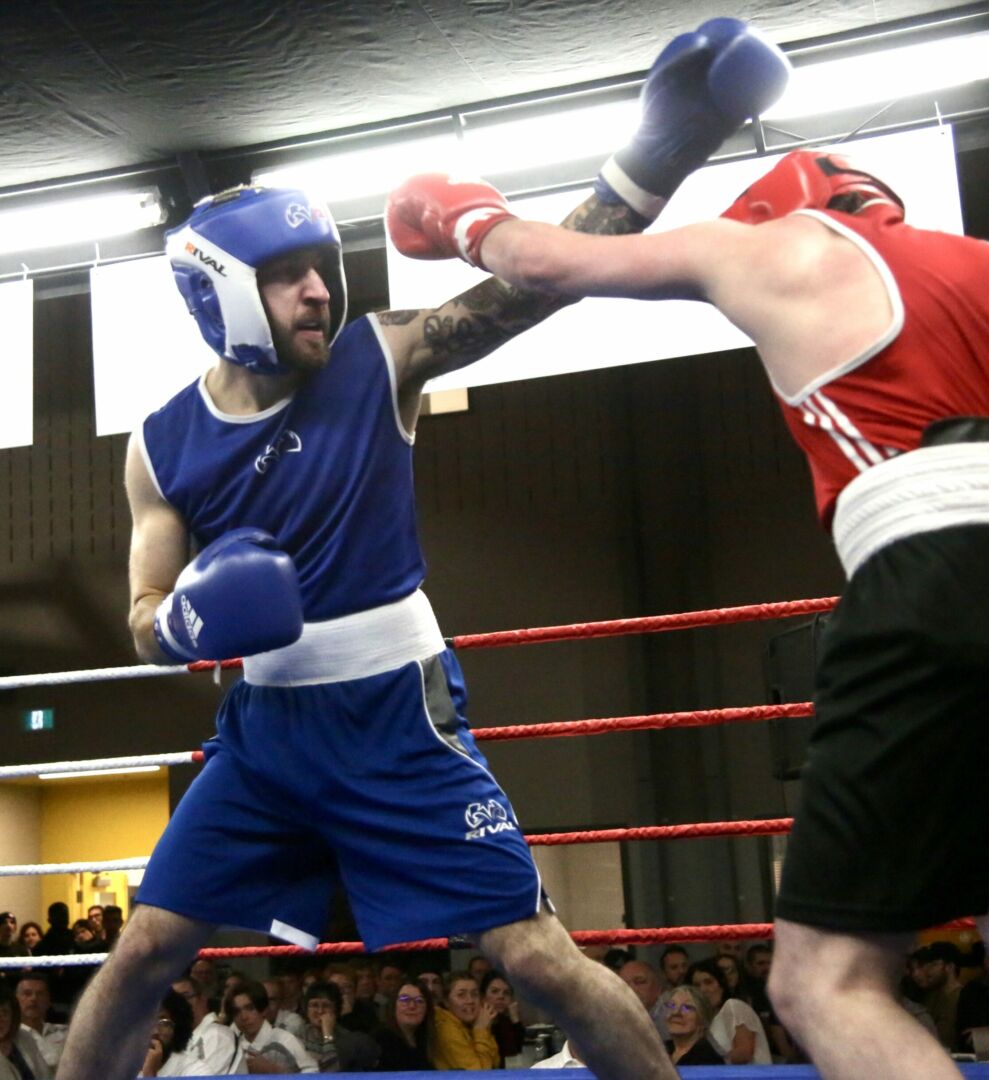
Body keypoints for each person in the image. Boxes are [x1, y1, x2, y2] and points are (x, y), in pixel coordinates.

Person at [53, 20, 788, 1080]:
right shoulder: (159, 446)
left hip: (398, 714)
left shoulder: (382, 358)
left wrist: (664, 145)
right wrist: (181, 622)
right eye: (289, 276)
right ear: (222, 294)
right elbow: (141, 617)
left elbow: (542, 282)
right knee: (144, 951)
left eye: (323, 269)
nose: (321, 291)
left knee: (532, 959)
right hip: (266, 735)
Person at [388, 125, 989, 1080]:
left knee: (821, 982)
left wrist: (459, 216)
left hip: (942, 575)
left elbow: (540, 260)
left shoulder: (774, 245)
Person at [687, 959, 772, 1065]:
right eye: (696, 985)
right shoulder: (702, 1021)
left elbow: (744, 1054)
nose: (703, 989)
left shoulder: (733, 1006)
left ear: (721, 985)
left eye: (708, 982)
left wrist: (706, 1063)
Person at [229, 981, 317, 1074]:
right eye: (237, 1011)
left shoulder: (285, 1040)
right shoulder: (232, 1047)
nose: (244, 1017)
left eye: (250, 1008)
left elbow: (314, 1073)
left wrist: (275, 1071)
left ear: (264, 1010)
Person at [169, 975, 245, 1075]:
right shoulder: (178, 1039)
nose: (179, 1005)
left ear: (203, 999)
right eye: (174, 1001)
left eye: (185, 997)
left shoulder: (217, 1036)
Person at [300, 980, 381, 1072]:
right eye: (314, 1005)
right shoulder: (297, 1036)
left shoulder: (349, 1041)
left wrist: (327, 1035)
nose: (320, 1011)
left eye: (326, 1005)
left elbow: (332, 1072)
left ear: (336, 1009)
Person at [431, 972, 499, 1070]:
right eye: (461, 995)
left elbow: (495, 1063)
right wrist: (480, 1030)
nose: (470, 1000)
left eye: (474, 994)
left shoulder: (472, 1023)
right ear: (446, 1001)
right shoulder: (445, 1029)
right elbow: (479, 1074)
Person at [139, 990, 209, 1078]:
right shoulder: (119, 1068)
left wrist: (150, 1074)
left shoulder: (196, 1071)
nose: (155, 1032)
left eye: (164, 1023)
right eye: (145, 1023)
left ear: (177, 1028)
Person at [374, 981, 434, 1072]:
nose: (412, 1006)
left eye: (419, 1001)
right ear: (393, 1005)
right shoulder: (381, 1040)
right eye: (405, 999)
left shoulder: (427, 1040)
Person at [16, 973, 67, 1076]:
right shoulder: (11, 1038)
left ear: (48, 1001)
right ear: (16, 1001)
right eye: (27, 993)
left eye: (40, 994)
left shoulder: (66, 1032)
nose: (33, 998)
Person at [659, 986, 724, 1066]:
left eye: (687, 1008)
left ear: (703, 1021)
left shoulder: (708, 1060)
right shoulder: (659, 1050)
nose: (675, 1013)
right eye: (672, 1005)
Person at [0, 982, 50, 1080]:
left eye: (5, 1012)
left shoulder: (24, 1037)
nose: (0, 1019)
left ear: (13, 1016)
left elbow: (46, 1076)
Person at [480, 969, 525, 1060]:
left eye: (506, 993)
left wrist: (515, 1020)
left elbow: (516, 1053)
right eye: (494, 991)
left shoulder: (505, 1021)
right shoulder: (475, 1021)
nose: (501, 997)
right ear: (483, 996)